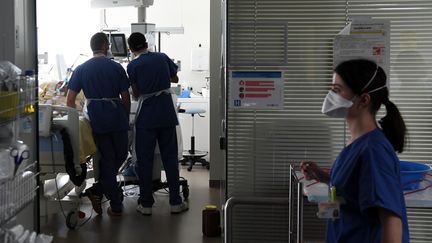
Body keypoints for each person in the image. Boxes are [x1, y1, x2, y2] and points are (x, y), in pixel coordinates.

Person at [301, 59, 409, 243]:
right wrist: (324, 177)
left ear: (364, 100)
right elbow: (354, 190)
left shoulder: (374, 150)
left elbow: (392, 222)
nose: (330, 96)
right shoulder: (356, 142)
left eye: (337, 89)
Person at [66, 32, 130, 217]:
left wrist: (83, 114)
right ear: (104, 46)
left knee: (108, 159)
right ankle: (114, 203)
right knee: (120, 156)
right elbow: (125, 98)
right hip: (117, 118)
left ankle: (99, 189)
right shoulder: (116, 68)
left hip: (96, 120)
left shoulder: (81, 69)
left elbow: (70, 100)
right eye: (108, 44)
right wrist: (124, 116)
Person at [127, 32, 188, 215]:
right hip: (166, 114)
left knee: (144, 160)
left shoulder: (133, 66)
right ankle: (175, 203)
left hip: (147, 117)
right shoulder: (162, 57)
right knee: (169, 159)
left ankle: (146, 204)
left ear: (131, 49)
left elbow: (136, 94)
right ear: (147, 43)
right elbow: (175, 78)